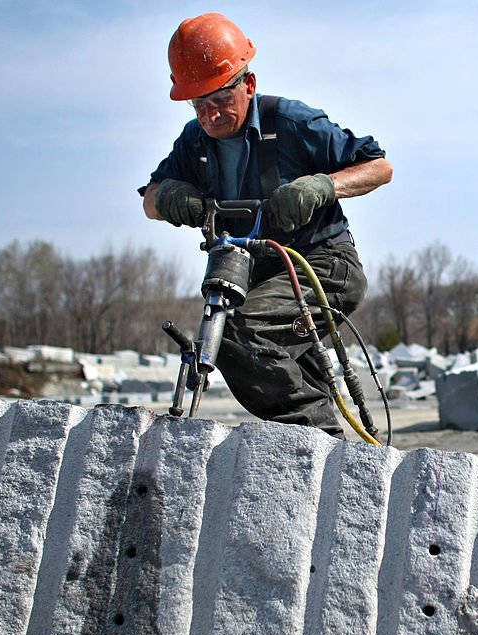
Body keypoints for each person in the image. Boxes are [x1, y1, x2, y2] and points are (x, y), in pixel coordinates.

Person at [140, 13, 392, 437]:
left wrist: (322, 186)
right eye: (198, 103)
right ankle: (335, 462)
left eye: (219, 98)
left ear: (248, 85)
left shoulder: (291, 123)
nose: (210, 115)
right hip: (257, 280)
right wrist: (166, 197)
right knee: (287, 368)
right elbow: (149, 200)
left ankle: (319, 445)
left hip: (323, 267)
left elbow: (379, 167)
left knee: (239, 334)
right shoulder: (194, 142)